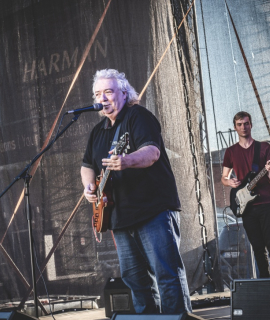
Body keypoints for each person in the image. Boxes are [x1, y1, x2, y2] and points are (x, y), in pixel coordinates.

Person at [80, 69, 192, 314]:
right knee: (136, 283)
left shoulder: (138, 116)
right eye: (98, 93)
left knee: (167, 275)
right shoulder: (98, 131)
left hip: (153, 211)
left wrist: (128, 160)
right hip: (120, 217)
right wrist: (89, 187)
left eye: (108, 92)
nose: (103, 98)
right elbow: (87, 165)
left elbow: (152, 152)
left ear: (123, 92)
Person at [221, 111, 270, 278]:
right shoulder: (231, 152)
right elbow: (224, 178)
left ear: (251, 125)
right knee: (257, 247)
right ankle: (265, 283)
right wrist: (229, 182)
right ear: (235, 127)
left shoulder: (264, 147)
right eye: (240, 124)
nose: (243, 127)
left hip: (266, 202)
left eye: (246, 123)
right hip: (246, 206)